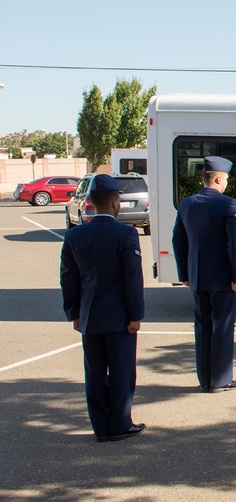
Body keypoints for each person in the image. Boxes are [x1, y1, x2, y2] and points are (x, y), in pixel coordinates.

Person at [60, 174, 146, 442]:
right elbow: (132, 278)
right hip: (120, 318)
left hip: (90, 316)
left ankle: (100, 427)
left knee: (95, 373)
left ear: (90, 202)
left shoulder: (74, 235)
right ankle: (119, 424)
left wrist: (74, 313)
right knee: (121, 372)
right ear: (116, 204)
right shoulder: (126, 233)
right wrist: (135, 315)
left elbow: (68, 278)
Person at [172, 156, 236, 393]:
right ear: (218, 178)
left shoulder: (185, 204)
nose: (226, 184)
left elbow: (178, 240)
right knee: (222, 327)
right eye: (225, 180)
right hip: (223, 277)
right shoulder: (228, 204)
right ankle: (221, 379)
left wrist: (184, 273)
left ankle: (204, 378)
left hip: (197, 276)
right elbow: (235, 243)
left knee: (202, 327)